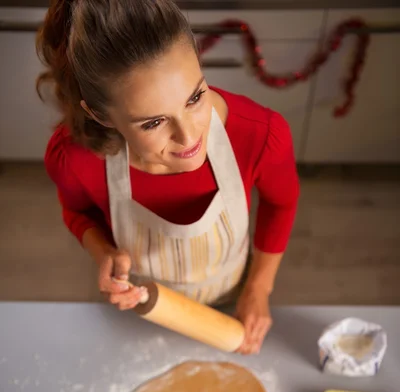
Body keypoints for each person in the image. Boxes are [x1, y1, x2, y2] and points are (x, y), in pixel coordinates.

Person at [37, 0, 299, 354]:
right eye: (153, 122)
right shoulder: (74, 157)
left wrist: (258, 288)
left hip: (228, 296)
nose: (190, 138)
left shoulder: (261, 134)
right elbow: (77, 212)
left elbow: (281, 202)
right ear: (102, 115)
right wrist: (103, 253)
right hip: (140, 308)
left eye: (194, 97)